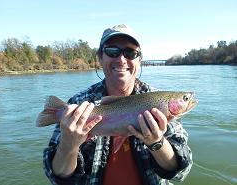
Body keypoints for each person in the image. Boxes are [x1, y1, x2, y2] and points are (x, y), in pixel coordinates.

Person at [43, 24, 193, 185]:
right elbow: (57, 177)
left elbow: (181, 172)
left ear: (139, 60)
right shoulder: (77, 105)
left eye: (130, 52)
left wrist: (157, 142)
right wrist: (68, 145)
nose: (121, 59)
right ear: (100, 57)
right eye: (112, 51)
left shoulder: (157, 102)